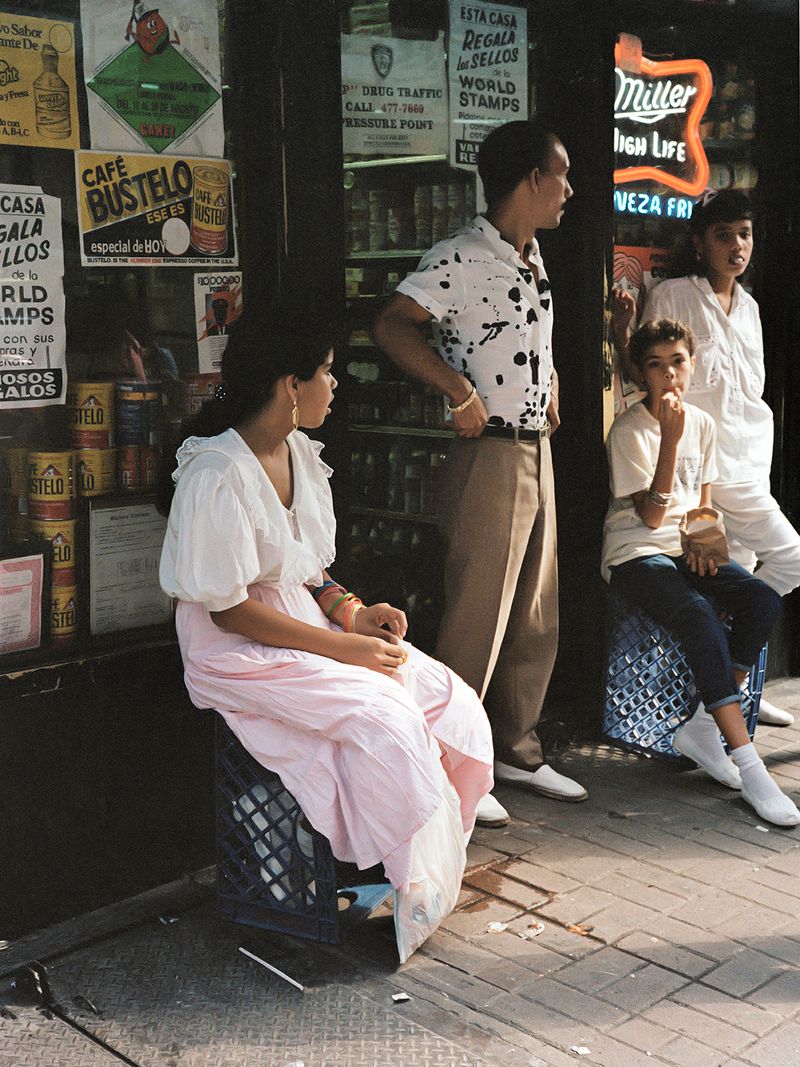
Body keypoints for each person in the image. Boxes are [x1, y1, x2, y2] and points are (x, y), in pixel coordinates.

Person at [158, 311, 494, 956]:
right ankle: (411, 880)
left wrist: (353, 614)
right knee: (387, 717)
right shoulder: (215, 473)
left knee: (449, 698)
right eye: (328, 372)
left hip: (305, 628)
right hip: (237, 652)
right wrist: (345, 648)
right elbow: (228, 611)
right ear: (291, 384)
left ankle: (422, 867)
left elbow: (308, 573)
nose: (335, 385)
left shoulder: (301, 455)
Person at [372, 119, 587, 826]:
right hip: (488, 451)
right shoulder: (460, 256)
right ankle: (451, 763)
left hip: (535, 446)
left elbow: (525, 338)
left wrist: (549, 380)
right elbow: (392, 324)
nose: (570, 191)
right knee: (479, 613)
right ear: (533, 179)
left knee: (535, 609)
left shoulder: (532, 256)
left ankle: (516, 748)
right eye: (562, 175)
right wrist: (457, 390)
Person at [612, 189, 800, 727]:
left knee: (739, 580)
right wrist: (620, 334)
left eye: (745, 234)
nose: (737, 246)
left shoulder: (752, 308)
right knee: (791, 558)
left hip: (750, 461)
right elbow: (647, 370)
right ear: (699, 243)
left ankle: (733, 690)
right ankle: (725, 692)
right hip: (706, 470)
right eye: (724, 235)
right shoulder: (675, 294)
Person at [602, 317, 799, 827]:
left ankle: (702, 724)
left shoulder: (704, 424)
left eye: (678, 362)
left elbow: (702, 509)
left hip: (682, 548)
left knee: (762, 599)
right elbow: (650, 516)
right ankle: (749, 764)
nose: (669, 374)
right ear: (641, 374)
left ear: (693, 365)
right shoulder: (629, 430)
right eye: (656, 365)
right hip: (635, 554)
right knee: (697, 614)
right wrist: (669, 440)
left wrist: (706, 547)